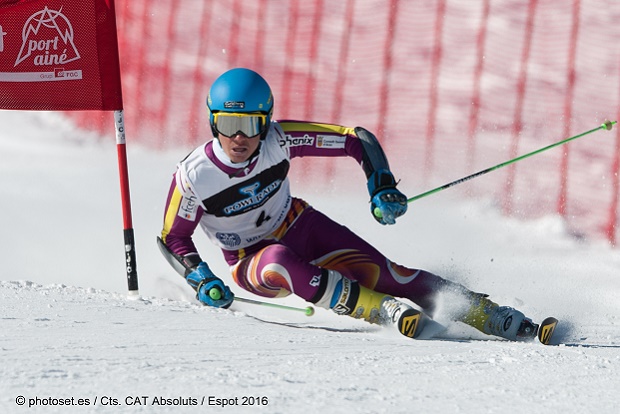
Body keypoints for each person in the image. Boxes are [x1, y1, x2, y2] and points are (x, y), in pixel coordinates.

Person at [158, 67, 539, 341]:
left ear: (266, 122)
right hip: (248, 261)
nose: (239, 138)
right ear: (212, 123)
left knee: (390, 274)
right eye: (227, 124)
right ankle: (379, 308)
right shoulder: (195, 175)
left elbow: (355, 138)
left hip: (299, 225)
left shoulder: (281, 139)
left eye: (250, 125)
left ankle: (493, 315)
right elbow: (173, 238)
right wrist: (201, 278)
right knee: (278, 259)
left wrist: (381, 185)